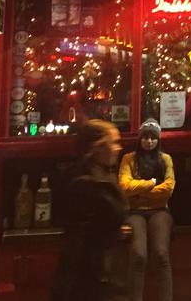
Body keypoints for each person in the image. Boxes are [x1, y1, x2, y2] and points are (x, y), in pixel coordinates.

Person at [50, 119, 131, 301]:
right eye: (114, 143)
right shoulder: (86, 183)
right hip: (93, 279)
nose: (119, 148)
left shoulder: (102, 175)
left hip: (103, 274)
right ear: (98, 147)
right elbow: (77, 241)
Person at [119, 119, 175, 301]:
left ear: (158, 140)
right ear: (139, 139)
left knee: (161, 254)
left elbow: (168, 189)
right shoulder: (129, 159)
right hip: (135, 212)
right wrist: (151, 183)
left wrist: (139, 192)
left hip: (160, 210)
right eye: (145, 137)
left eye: (153, 138)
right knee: (138, 255)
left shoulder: (165, 159)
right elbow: (124, 187)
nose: (149, 141)